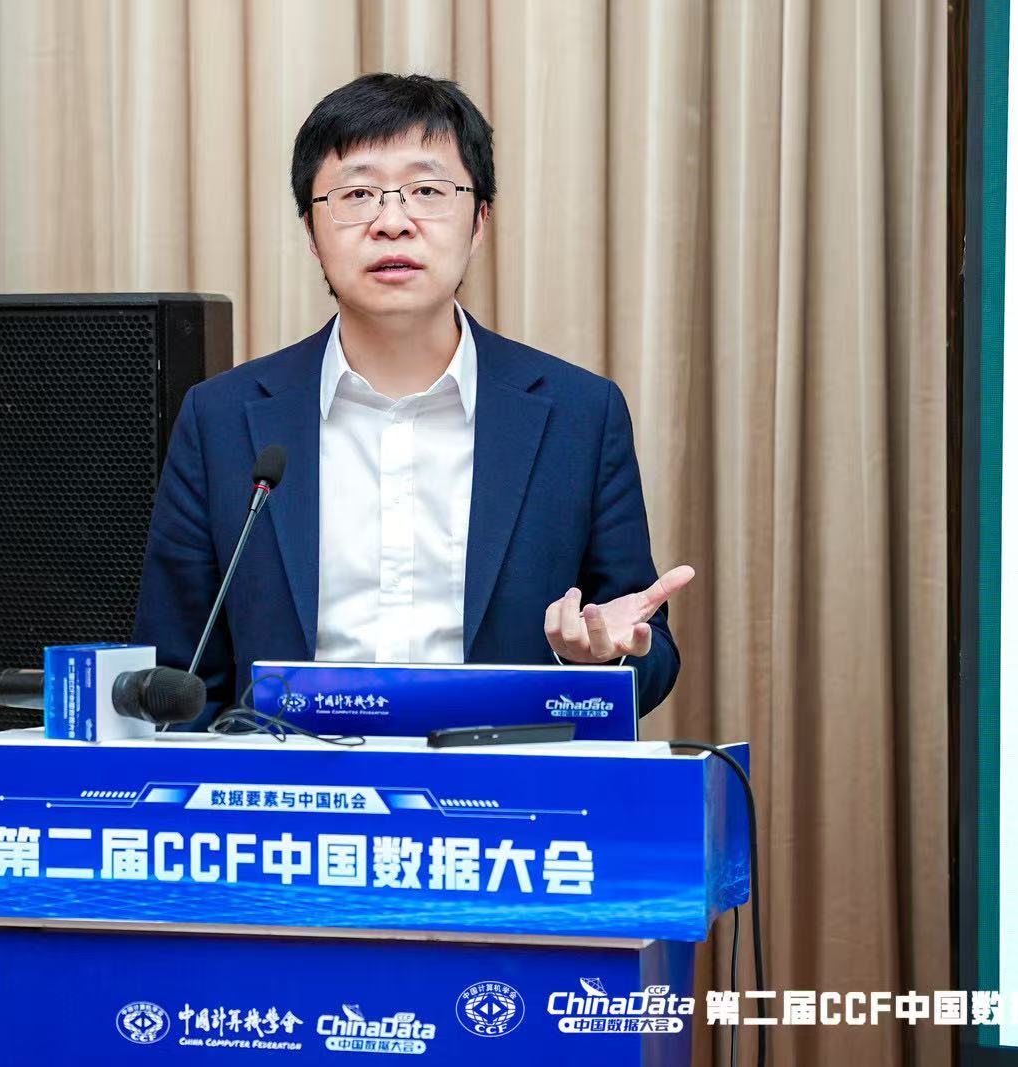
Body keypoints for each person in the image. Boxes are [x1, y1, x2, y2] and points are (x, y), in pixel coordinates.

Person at [133, 72, 693, 729]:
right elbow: (173, 679)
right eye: (356, 194)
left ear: (479, 220)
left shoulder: (579, 415)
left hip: (498, 787)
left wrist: (602, 659)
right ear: (311, 232)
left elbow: (647, 652)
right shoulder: (222, 419)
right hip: (291, 788)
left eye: (428, 191)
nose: (392, 222)